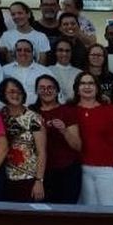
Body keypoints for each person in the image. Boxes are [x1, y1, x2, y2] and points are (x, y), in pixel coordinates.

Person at [72, 71, 113, 206]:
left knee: (109, 210)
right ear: (77, 88)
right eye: (83, 83)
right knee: (87, 212)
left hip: (108, 169)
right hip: (82, 169)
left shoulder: (110, 110)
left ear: (97, 88)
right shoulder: (70, 111)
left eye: (91, 83)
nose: (87, 87)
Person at [34, 74, 82, 204]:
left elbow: (78, 146)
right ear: (36, 91)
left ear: (57, 90)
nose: (46, 91)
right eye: (42, 88)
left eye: (50, 87)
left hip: (67, 170)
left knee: (66, 213)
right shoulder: (31, 112)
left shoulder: (67, 111)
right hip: (40, 172)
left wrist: (64, 130)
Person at [0, 77, 45, 202]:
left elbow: (42, 152)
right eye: (12, 91)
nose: (16, 95)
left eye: (19, 92)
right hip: (3, 178)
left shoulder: (34, 118)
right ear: (3, 94)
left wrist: (39, 181)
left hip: (28, 179)